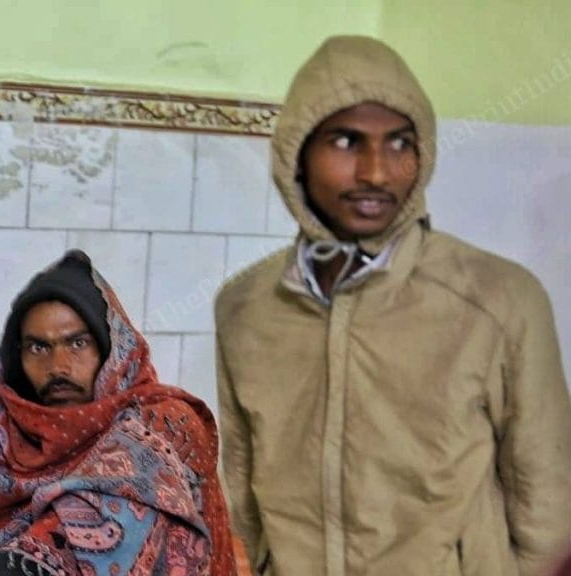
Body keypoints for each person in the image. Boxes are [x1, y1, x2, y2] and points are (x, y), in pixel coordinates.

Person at [215, 35, 571, 575]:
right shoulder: (245, 308)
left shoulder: (499, 300)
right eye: (345, 142)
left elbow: (546, 500)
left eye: (401, 143)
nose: (377, 172)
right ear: (295, 154)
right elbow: (242, 480)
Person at [0, 250, 250, 576]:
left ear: (110, 348)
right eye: (38, 348)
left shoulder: (164, 424)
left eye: (77, 343)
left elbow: (96, 531)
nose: (58, 367)